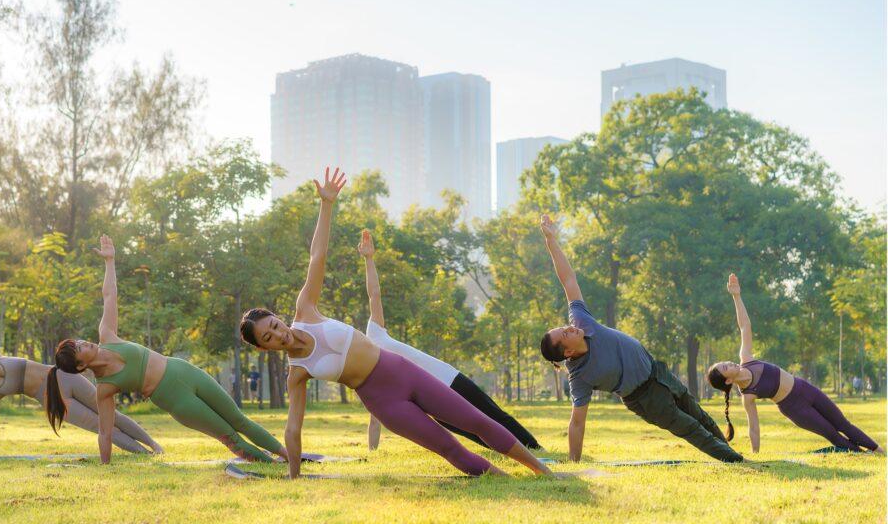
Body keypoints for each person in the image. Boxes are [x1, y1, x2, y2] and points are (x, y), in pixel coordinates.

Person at [240, 167, 551, 478]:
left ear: (279, 318)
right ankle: (502, 481)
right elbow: (293, 428)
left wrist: (326, 205)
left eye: (275, 325)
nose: (278, 334)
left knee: (478, 421)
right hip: (383, 401)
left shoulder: (306, 310)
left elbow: (317, 256)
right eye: (268, 337)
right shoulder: (298, 373)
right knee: (449, 447)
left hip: (404, 372)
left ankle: (543, 472)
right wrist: (295, 476)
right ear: (264, 348)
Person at [48, 235, 288, 464]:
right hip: (175, 399)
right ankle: (273, 466)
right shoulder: (104, 388)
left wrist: (109, 261)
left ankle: (289, 456)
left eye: (78, 341)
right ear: (81, 365)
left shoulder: (107, 335)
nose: (83, 342)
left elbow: (109, 295)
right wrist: (105, 465)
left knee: (239, 420)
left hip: (183, 371)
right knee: (228, 435)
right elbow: (105, 431)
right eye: (78, 348)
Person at [536, 214, 743, 463]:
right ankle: (737, 462)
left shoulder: (582, 320)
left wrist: (551, 241)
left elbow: (568, 278)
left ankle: (734, 457)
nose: (568, 328)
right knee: (691, 429)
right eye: (564, 334)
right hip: (644, 398)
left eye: (563, 326)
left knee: (701, 417)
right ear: (567, 352)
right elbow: (577, 423)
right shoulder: (579, 376)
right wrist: (574, 463)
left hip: (658, 372)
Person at [0, 263, 160, 459]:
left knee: (112, 414)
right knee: (100, 425)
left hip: (61, 376)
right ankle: (144, 454)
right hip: (52, 399)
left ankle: (155, 447)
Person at [356, 228, 541, 451]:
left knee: (492, 413)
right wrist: (371, 452)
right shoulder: (370, 373)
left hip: (449, 378)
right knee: (474, 431)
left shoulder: (375, 335)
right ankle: (514, 452)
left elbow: (374, 294)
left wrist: (369, 259)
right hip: (434, 403)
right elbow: (376, 418)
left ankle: (535, 448)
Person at [707, 273, 883, 454]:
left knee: (843, 424)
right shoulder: (748, 396)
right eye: (726, 367)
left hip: (804, 388)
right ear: (727, 381)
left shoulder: (746, 358)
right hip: (794, 409)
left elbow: (745, 326)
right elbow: (754, 427)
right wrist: (755, 454)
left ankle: (879, 451)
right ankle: (864, 455)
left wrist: (736, 296)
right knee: (833, 435)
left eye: (726, 362)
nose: (729, 363)